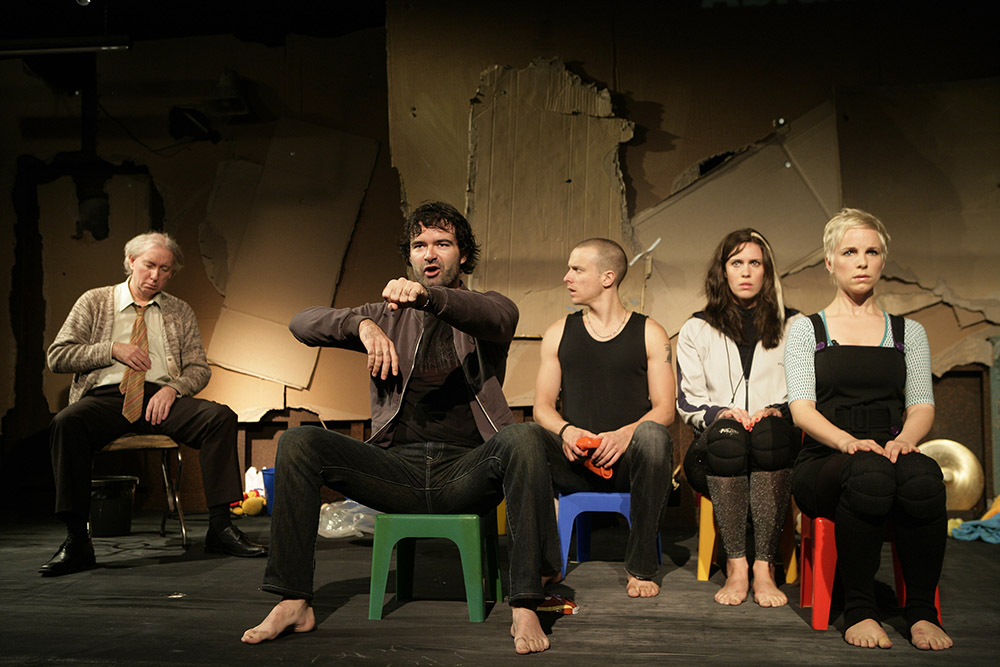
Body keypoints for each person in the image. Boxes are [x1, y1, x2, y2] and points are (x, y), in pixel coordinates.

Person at [241, 202, 562, 655]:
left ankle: (525, 601)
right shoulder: (386, 315)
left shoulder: (487, 308)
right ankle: (292, 600)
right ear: (409, 257)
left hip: (467, 472)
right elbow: (301, 322)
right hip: (396, 470)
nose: (429, 254)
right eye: (420, 245)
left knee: (525, 436)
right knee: (298, 442)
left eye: (442, 244)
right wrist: (363, 324)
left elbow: (497, 318)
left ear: (463, 256)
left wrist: (429, 297)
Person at [43, 231, 266, 577]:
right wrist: (111, 349)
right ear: (130, 262)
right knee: (66, 423)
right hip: (107, 397)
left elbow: (198, 367)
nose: (155, 276)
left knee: (219, 417)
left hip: (160, 398)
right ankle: (77, 540)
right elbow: (58, 356)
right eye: (149, 266)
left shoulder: (179, 311)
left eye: (165, 270)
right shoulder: (95, 301)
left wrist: (173, 389)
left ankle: (220, 528)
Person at [785, 208, 952, 651]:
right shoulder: (806, 329)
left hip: (890, 448)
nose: (861, 261)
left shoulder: (907, 332)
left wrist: (905, 441)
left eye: (871, 252)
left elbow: (921, 404)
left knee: (924, 479)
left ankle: (921, 612)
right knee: (868, 476)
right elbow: (801, 409)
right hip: (825, 458)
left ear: (882, 261)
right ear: (829, 261)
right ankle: (860, 610)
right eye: (850, 252)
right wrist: (847, 442)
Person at [514, 238, 674, 598]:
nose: (567, 277)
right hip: (574, 457)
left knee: (653, 436)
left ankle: (641, 567)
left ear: (607, 277)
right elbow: (541, 407)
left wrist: (624, 436)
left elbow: (665, 408)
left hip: (628, 460)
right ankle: (544, 563)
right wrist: (567, 431)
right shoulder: (558, 332)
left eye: (577, 269)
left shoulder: (650, 332)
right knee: (525, 440)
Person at [677, 229, 801, 607]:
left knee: (769, 435)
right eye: (737, 263)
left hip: (778, 446)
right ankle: (737, 566)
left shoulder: (797, 326)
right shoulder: (696, 328)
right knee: (730, 437)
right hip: (717, 448)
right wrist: (719, 413)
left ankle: (765, 567)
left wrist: (776, 410)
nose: (746, 272)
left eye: (755, 263)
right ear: (723, 271)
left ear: (767, 272)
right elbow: (688, 402)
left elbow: (807, 393)